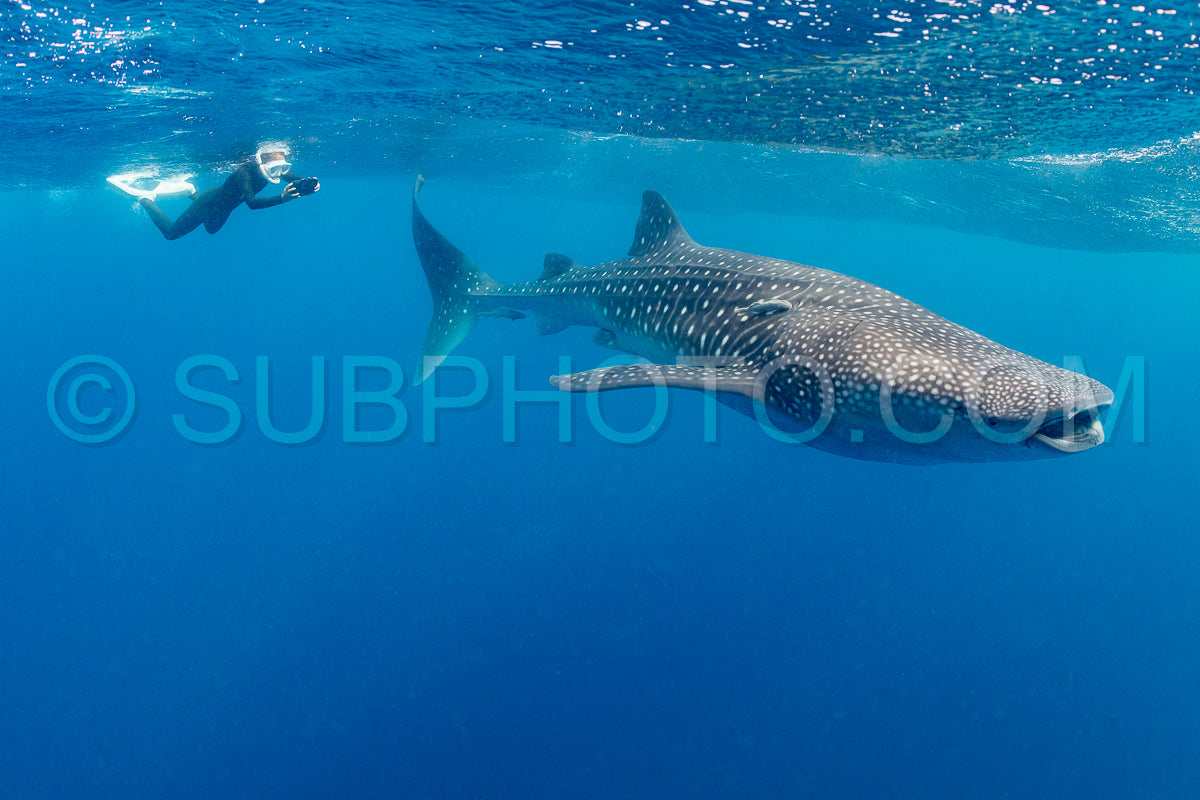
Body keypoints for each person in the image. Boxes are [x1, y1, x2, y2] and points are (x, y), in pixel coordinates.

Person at [107, 144, 320, 241]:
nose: (280, 173)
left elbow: (294, 178)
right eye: (275, 169)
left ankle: (190, 191)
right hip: (209, 203)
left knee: (211, 230)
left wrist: (308, 185)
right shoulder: (244, 174)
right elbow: (252, 204)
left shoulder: (274, 170)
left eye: (283, 168)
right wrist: (282, 199)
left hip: (223, 209)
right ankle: (145, 198)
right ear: (262, 162)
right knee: (171, 234)